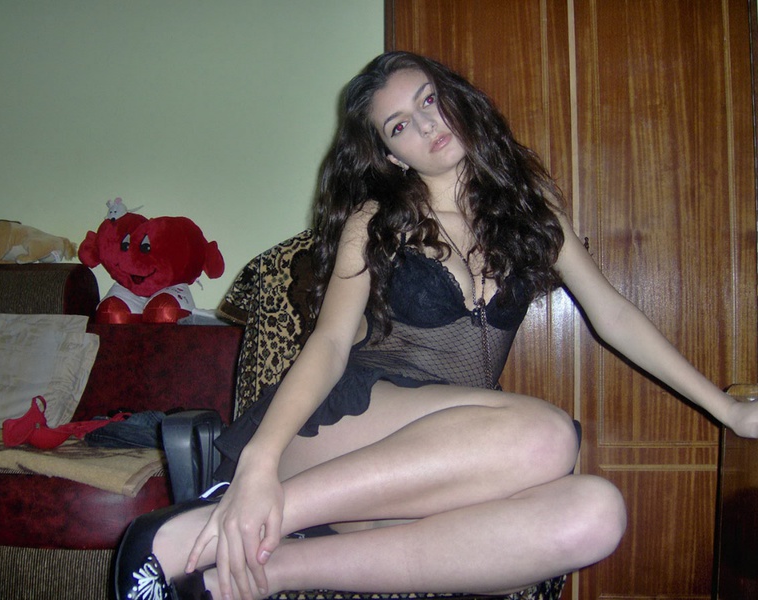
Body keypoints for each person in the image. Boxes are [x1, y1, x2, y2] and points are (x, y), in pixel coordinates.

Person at [115, 51, 758, 600]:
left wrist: (728, 411)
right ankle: (206, 526)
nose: (426, 124)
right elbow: (330, 345)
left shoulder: (532, 210)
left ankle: (246, 576)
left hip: (434, 456)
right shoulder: (376, 221)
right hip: (345, 427)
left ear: (456, 98)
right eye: (400, 125)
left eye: (429, 100)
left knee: (595, 515)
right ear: (389, 154)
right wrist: (259, 463)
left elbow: (613, 314)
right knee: (548, 438)